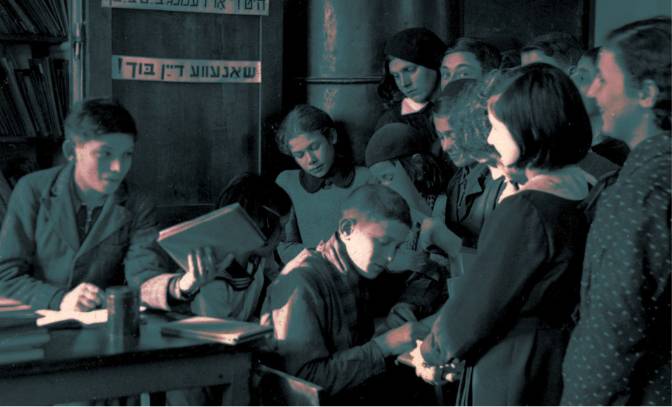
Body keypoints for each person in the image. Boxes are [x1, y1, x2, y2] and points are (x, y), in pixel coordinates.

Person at [413, 63, 592, 405]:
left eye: (496, 127)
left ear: (527, 129)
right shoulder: (584, 187)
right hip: (554, 359)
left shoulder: (525, 210)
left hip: (512, 366)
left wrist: (428, 353)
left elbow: (474, 309)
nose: (490, 139)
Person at [0, 98, 211, 312]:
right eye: (105, 154)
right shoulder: (33, 189)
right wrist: (59, 300)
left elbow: (143, 277)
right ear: (71, 152)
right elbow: (5, 275)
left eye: (127, 155)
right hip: (35, 322)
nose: (118, 167)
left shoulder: (138, 202)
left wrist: (179, 286)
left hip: (102, 324)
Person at [561, 17, 671, 406]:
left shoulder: (638, 193)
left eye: (604, 80)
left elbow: (613, 335)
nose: (592, 92)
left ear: (646, 93)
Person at [260, 184, 427, 402]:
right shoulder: (301, 281)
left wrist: (388, 329)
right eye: (383, 242)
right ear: (347, 229)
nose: (390, 257)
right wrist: (383, 346)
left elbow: (350, 348)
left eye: (396, 247)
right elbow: (302, 385)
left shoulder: (358, 268)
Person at [364, 123, 452, 330]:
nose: (383, 188)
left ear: (417, 166)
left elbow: (452, 266)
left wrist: (427, 265)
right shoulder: (391, 214)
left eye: (388, 178)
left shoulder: (441, 206)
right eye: (378, 181)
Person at [274, 104, 371, 265]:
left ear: (331, 136)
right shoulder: (287, 183)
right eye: (299, 155)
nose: (310, 160)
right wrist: (324, 259)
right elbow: (286, 247)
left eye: (314, 147)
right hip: (310, 272)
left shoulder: (366, 178)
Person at [189, 172, 292, 321]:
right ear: (258, 225)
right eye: (281, 228)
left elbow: (279, 278)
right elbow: (215, 329)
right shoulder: (212, 273)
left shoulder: (260, 255)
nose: (284, 237)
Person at [431, 77, 506, 248]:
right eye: (441, 137)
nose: (446, 146)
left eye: (452, 135)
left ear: (476, 126)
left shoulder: (502, 180)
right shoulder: (456, 182)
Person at [376, 27, 447, 158]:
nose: (404, 83)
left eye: (410, 70)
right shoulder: (394, 119)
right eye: (396, 76)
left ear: (434, 63)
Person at [570, 46, 630, 166]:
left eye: (582, 77)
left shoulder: (615, 158)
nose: (571, 80)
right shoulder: (567, 141)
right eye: (573, 72)